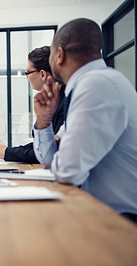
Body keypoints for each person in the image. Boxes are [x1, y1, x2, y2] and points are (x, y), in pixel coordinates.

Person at [33, 18, 137, 222]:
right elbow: (48, 160)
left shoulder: (96, 85)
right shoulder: (93, 83)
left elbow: (68, 171)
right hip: (101, 212)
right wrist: (44, 119)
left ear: (60, 55)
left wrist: (60, 152)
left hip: (122, 221)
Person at [0, 46, 65, 163]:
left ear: (42, 74)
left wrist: (6, 152)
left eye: (28, 72)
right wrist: (7, 150)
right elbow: (40, 145)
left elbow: (48, 152)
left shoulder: (66, 102)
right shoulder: (55, 99)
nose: (27, 76)